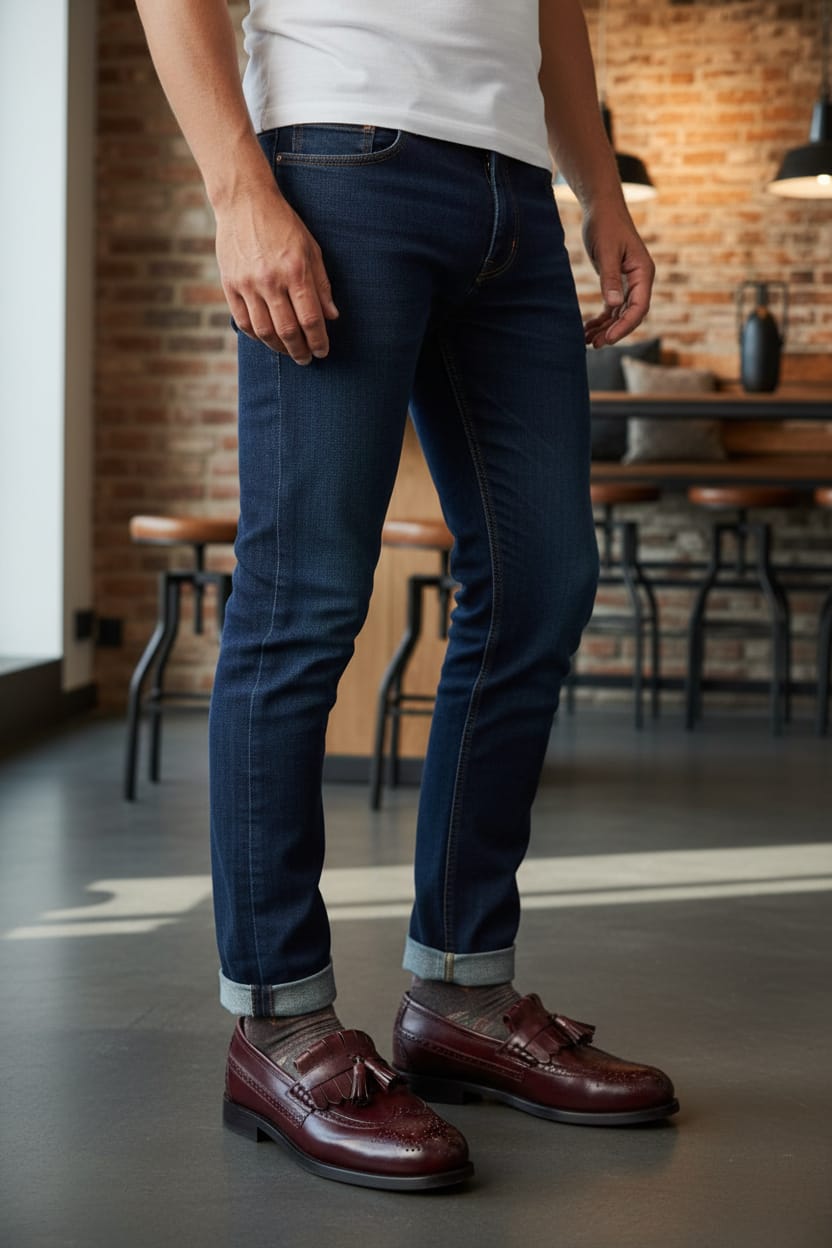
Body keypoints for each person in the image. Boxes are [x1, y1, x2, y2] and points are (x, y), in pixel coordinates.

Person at [135, 0, 678, 1192]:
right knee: (307, 595)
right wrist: (239, 191)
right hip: (338, 156)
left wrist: (601, 191)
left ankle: (461, 991)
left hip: (512, 192)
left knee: (541, 584)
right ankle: (277, 1025)